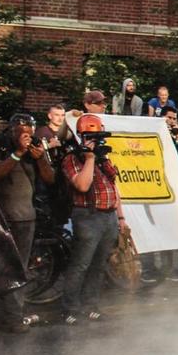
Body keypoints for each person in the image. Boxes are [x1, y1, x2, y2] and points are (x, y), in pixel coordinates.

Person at [0, 113, 56, 333]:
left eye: (29, 131)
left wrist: (40, 158)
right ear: (11, 130)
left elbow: (50, 179)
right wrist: (18, 153)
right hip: (0, 217)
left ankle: (11, 318)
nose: (26, 135)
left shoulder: (36, 145)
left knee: (18, 270)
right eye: (22, 132)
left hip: (25, 217)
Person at [60, 113, 127, 325]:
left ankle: (91, 306)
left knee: (99, 266)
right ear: (82, 136)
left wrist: (121, 218)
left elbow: (113, 188)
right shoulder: (72, 158)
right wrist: (89, 158)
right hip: (87, 216)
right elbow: (82, 185)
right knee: (80, 264)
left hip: (108, 217)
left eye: (99, 137)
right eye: (92, 137)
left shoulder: (102, 160)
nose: (97, 142)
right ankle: (70, 309)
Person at [140, 107, 178, 283]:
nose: (172, 121)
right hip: (153, 189)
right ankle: (149, 269)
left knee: (171, 229)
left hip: (172, 192)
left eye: (174, 118)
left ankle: (170, 269)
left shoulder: (175, 140)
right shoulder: (152, 135)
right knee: (152, 230)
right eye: (168, 117)